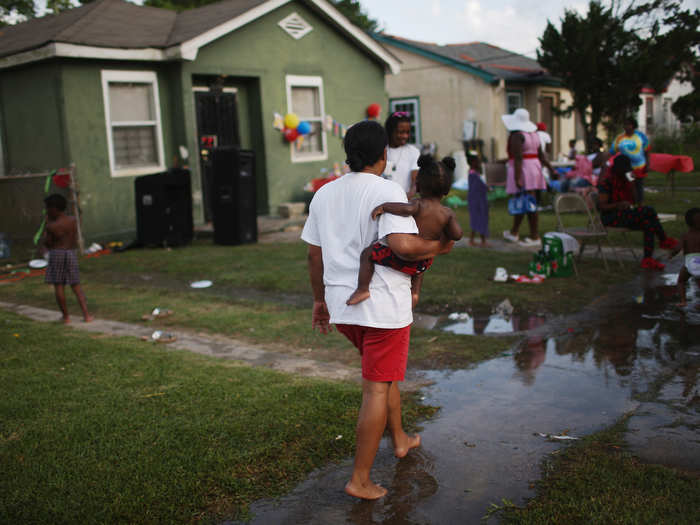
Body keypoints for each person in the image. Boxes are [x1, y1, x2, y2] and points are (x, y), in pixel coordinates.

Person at [301, 120, 453, 500]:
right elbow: (403, 245)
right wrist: (440, 248)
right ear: (383, 155)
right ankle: (361, 479)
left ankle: (399, 438)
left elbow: (313, 254)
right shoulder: (386, 189)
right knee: (375, 388)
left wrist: (320, 301)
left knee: (385, 377)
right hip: (382, 308)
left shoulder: (324, 193)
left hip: (343, 307)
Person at [347, 155, 463, 307]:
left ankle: (362, 289)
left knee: (367, 254)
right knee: (419, 272)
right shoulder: (447, 213)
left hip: (401, 258)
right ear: (447, 190)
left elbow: (406, 209)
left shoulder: (418, 204)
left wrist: (385, 207)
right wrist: (445, 234)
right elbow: (457, 235)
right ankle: (414, 294)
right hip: (423, 262)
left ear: (418, 185)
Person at [597, 155, 678, 270]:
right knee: (648, 211)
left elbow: (635, 200)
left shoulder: (626, 180)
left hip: (624, 214)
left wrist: (632, 183)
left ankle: (648, 259)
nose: (626, 172)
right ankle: (664, 240)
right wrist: (618, 205)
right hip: (610, 217)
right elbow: (601, 206)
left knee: (648, 223)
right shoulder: (607, 182)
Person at [501, 108, 555, 247]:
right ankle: (514, 232)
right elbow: (541, 155)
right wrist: (550, 169)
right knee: (526, 202)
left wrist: (518, 177)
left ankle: (534, 235)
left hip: (523, 169)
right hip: (534, 168)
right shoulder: (535, 134)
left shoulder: (516, 136)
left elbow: (518, 157)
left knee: (528, 203)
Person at [41, 194, 93, 324]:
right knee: (76, 285)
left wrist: (47, 226)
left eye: (48, 208)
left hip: (57, 254)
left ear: (55, 208)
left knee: (59, 286)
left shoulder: (52, 226)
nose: (46, 210)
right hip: (70, 253)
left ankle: (66, 317)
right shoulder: (72, 220)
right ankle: (86, 315)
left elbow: (48, 242)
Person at [610, 117, 650, 202]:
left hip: (639, 167)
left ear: (633, 125)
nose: (626, 126)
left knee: (639, 185)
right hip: (626, 169)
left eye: (628, 124)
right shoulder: (619, 138)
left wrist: (648, 164)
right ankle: (631, 202)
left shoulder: (641, 136)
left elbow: (647, 151)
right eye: (625, 124)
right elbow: (612, 151)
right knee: (630, 185)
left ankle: (640, 204)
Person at [384, 111, 420, 197]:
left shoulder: (413, 152)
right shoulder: (381, 150)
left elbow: (415, 181)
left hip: (404, 200)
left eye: (407, 132)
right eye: (401, 132)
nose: (405, 136)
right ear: (390, 131)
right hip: (383, 200)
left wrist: (406, 197)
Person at [673, 208, 700, 307]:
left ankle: (683, 301)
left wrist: (671, 254)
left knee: (681, 281)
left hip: (690, 263)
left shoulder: (685, 235)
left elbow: (677, 248)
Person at [467, 151, 489, 247]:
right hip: (477, 201)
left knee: (477, 220)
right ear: (472, 162)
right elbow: (478, 187)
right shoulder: (473, 174)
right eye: (477, 161)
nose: (479, 163)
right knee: (479, 220)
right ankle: (482, 241)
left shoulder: (475, 173)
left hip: (478, 200)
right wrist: (486, 187)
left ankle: (473, 240)